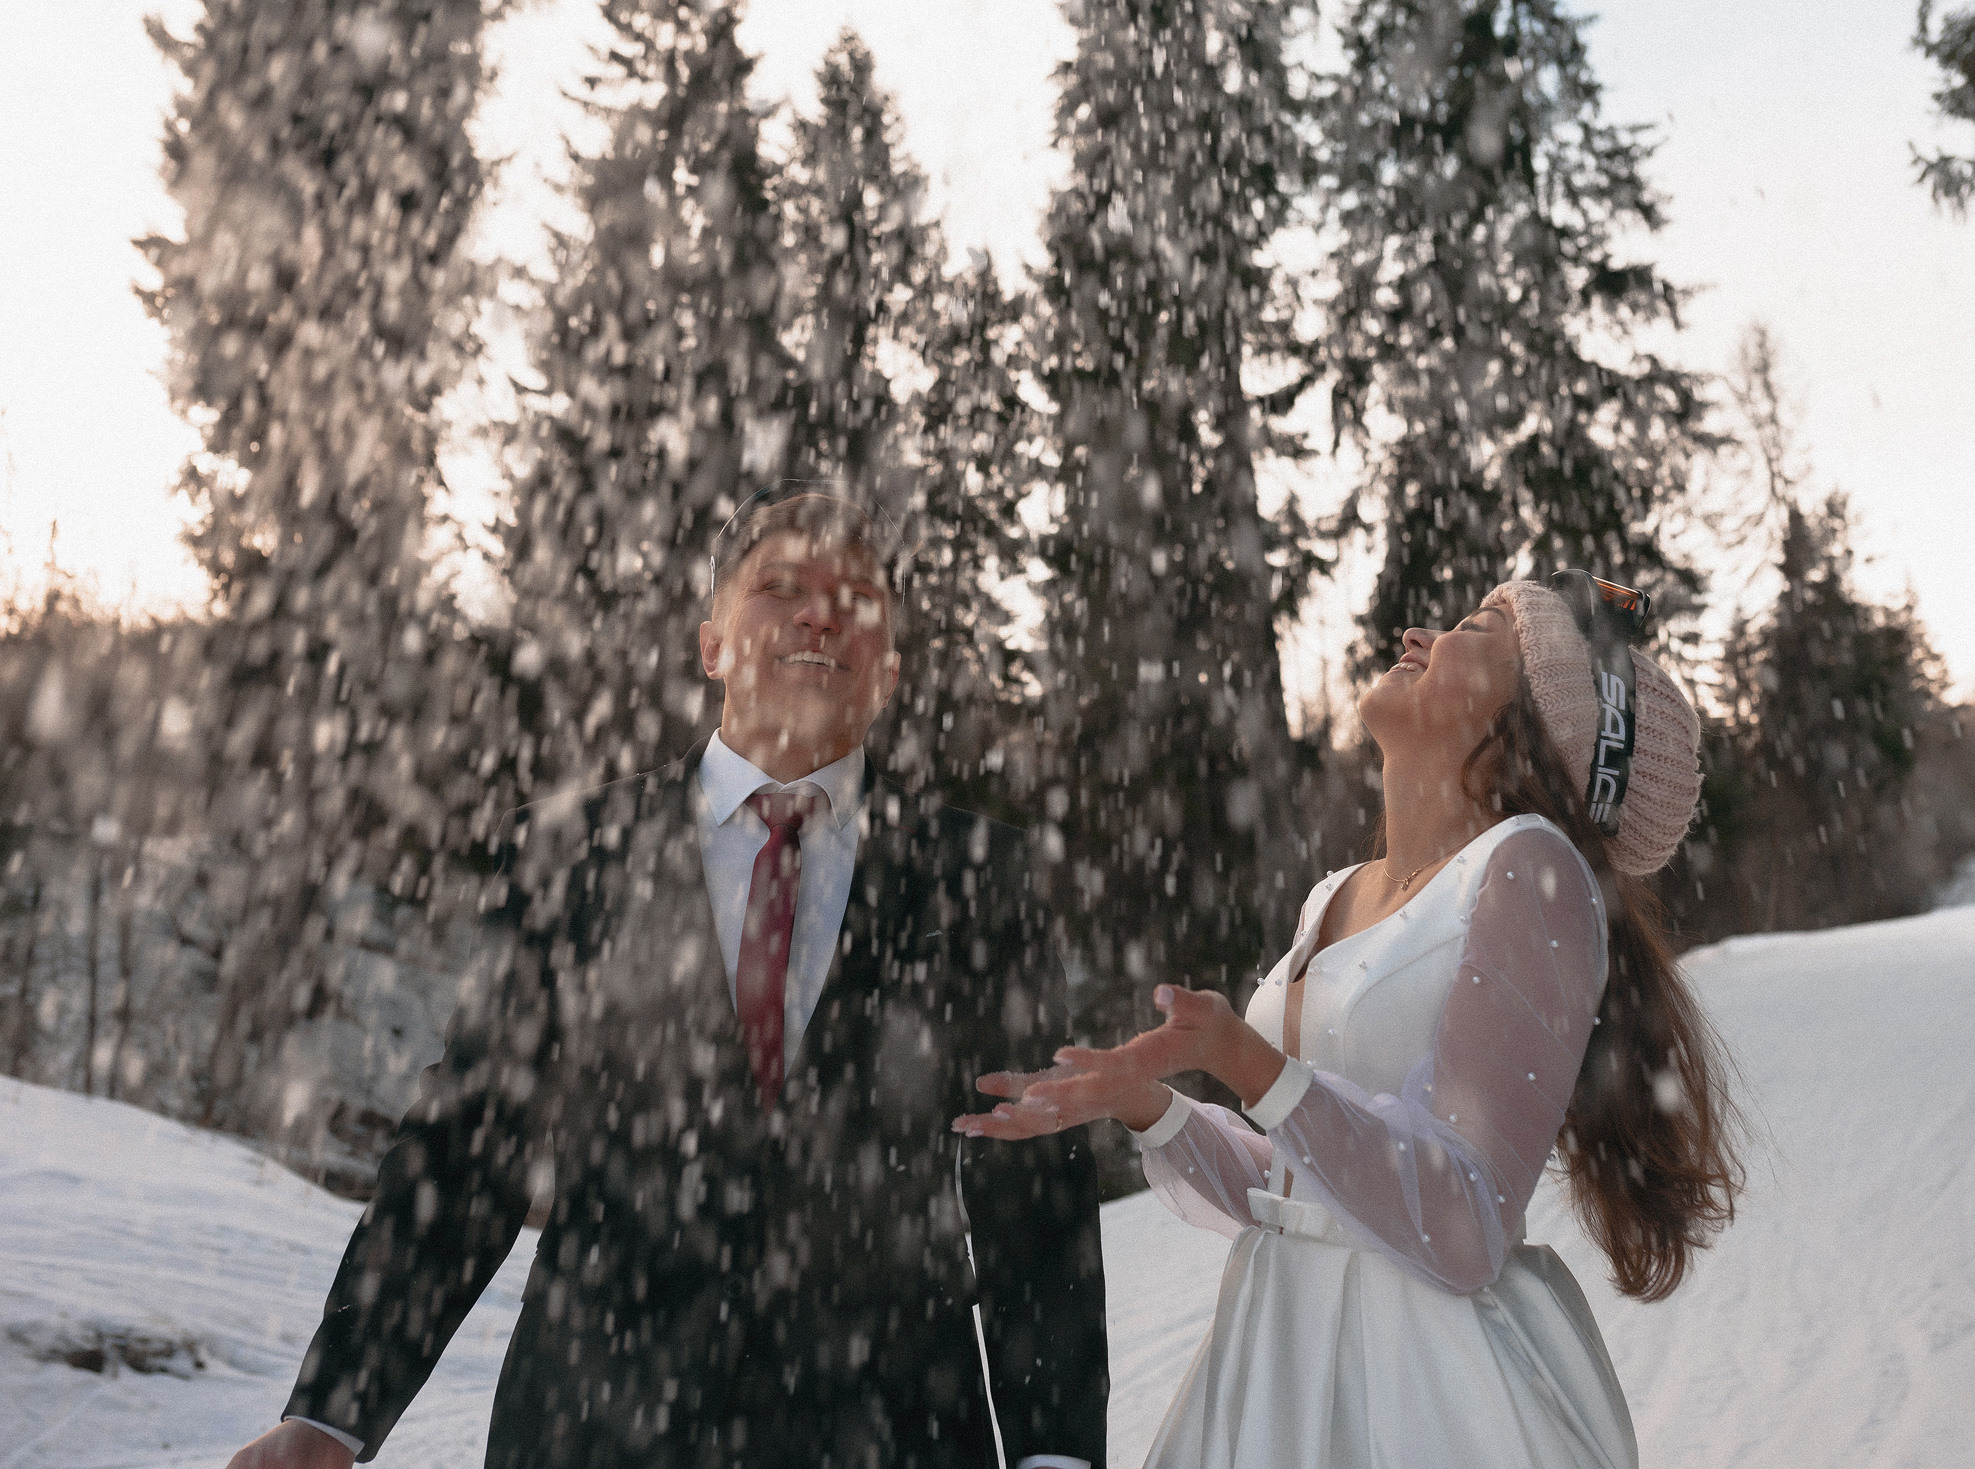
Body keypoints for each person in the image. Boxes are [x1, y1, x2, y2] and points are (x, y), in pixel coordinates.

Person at [229, 491, 1108, 1469]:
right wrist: (331, 1411)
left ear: (890, 668)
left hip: (894, 1433)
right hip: (593, 1427)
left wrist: (1056, 1454)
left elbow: (1033, 1193)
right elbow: (470, 1148)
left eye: (856, 599)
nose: (821, 615)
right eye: (781, 587)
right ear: (712, 644)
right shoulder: (572, 854)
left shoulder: (984, 879)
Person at [958, 572, 1742, 1468]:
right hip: (1275, 1365)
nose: (1419, 634)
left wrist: (1249, 1061)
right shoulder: (1337, 892)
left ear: (1533, 725)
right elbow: (1304, 1193)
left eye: (1475, 627)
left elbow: (1464, 1221)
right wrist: (1146, 1102)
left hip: (1429, 1393)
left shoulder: (1532, 871)